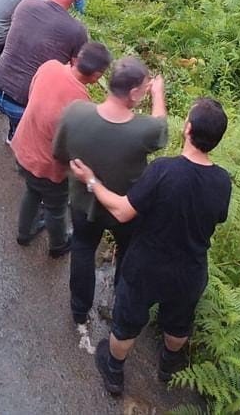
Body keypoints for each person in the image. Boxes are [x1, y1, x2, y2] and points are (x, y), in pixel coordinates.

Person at [70, 98, 232, 395]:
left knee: (127, 322)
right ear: (217, 140)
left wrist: (91, 180)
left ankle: (115, 371)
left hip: (148, 264)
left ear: (188, 128)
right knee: (179, 322)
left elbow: (122, 210)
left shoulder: (164, 170)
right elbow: (218, 217)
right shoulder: (223, 181)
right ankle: (168, 365)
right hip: (191, 269)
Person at [53, 57, 168, 327]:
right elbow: (162, 128)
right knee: (128, 252)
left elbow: (59, 153)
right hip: (125, 208)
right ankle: (121, 301)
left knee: (82, 248)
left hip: (83, 202)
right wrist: (158, 94)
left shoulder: (75, 112)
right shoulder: (143, 130)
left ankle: (79, 309)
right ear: (134, 93)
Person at [12, 43, 112, 259]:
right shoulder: (80, 105)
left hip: (23, 147)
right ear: (96, 76)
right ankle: (58, 244)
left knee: (31, 191)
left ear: (77, 58)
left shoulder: (49, 66)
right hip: (48, 167)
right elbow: (74, 147)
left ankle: (24, 233)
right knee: (55, 208)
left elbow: (32, 95)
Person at [0, 0, 90, 140]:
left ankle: (13, 129)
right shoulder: (77, 31)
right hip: (24, 104)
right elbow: (77, 73)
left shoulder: (27, 3)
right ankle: (16, 135)